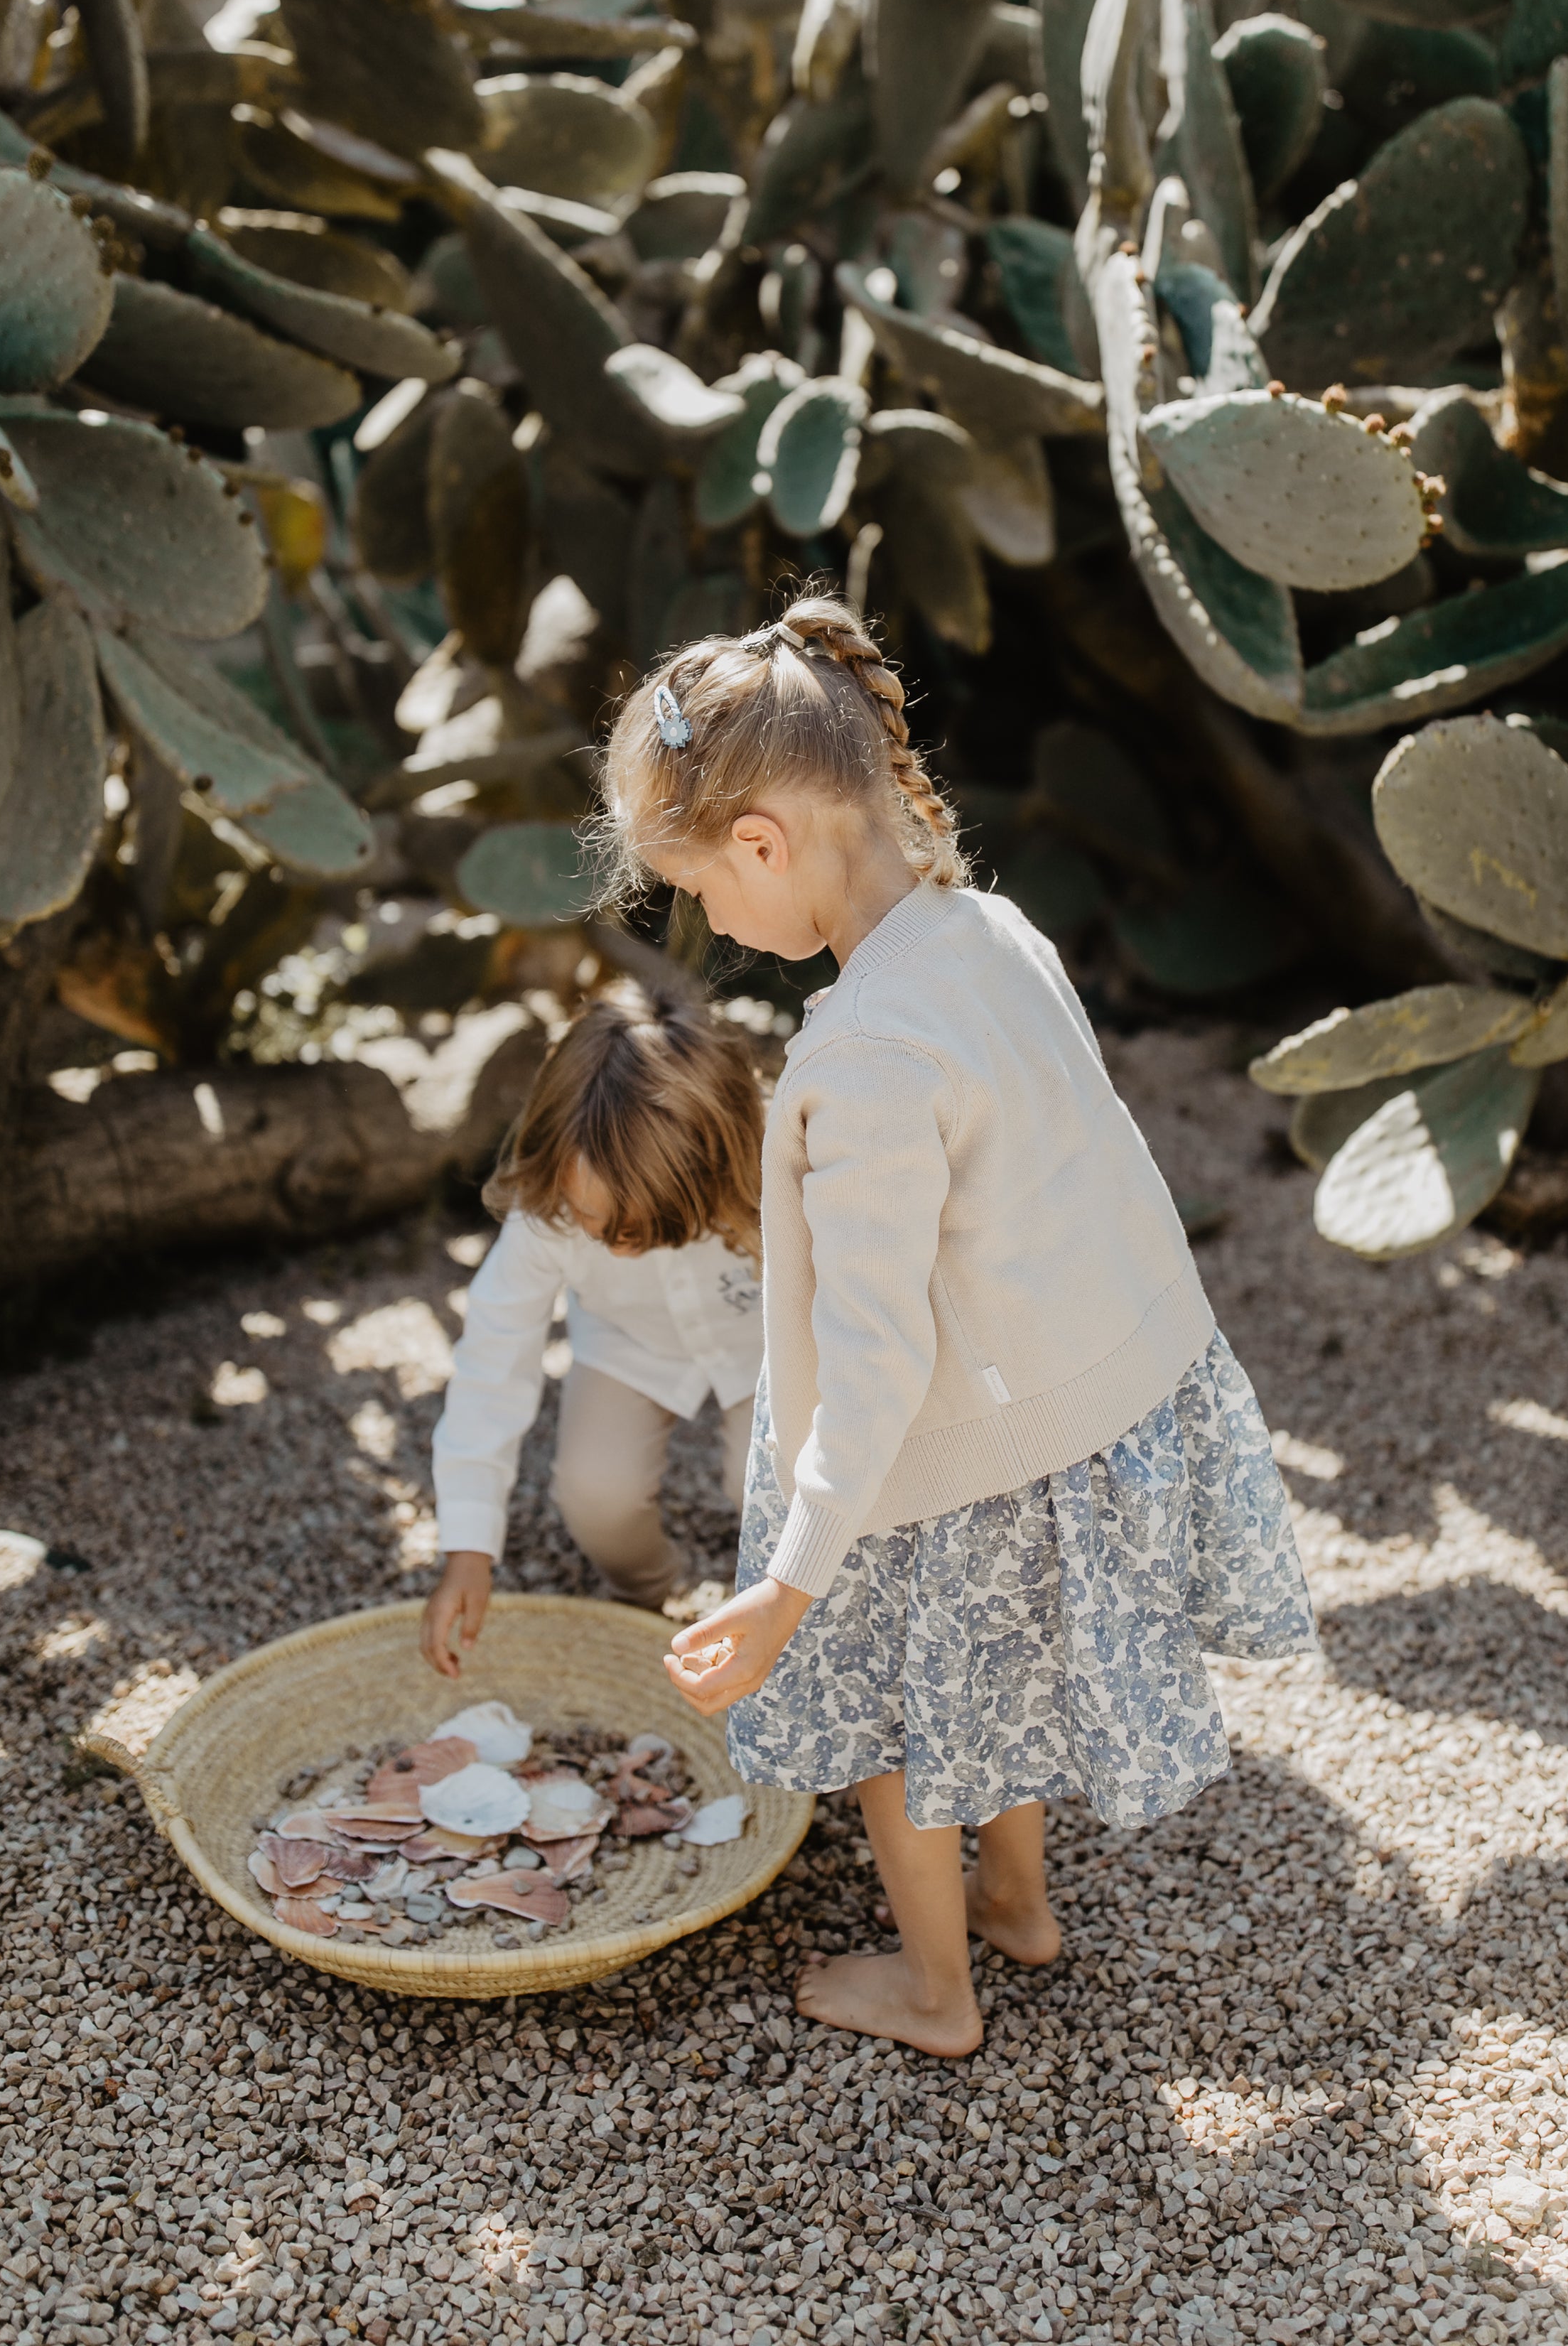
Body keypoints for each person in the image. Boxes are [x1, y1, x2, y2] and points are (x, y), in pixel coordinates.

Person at [598, 594, 1315, 2057]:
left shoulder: (865, 1057)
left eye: (701, 891)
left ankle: (934, 1988)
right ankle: (1016, 1900)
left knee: (899, 1737)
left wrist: (788, 1583)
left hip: (925, 1468)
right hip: (1068, 1413)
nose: (714, 925)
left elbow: (873, 1360)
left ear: (762, 844)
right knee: (997, 1691)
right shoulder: (990, 929)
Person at [421, 985, 767, 1675]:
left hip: (762, 1343)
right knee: (594, 1493)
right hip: (626, 1342)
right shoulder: (547, 1205)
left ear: (705, 1175)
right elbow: (494, 1357)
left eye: (635, 1227)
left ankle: (777, 1607)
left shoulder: (774, 1167)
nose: (613, 1245)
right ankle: (642, 1598)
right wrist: (468, 1547)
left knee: (764, 1485)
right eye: (591, 1222)